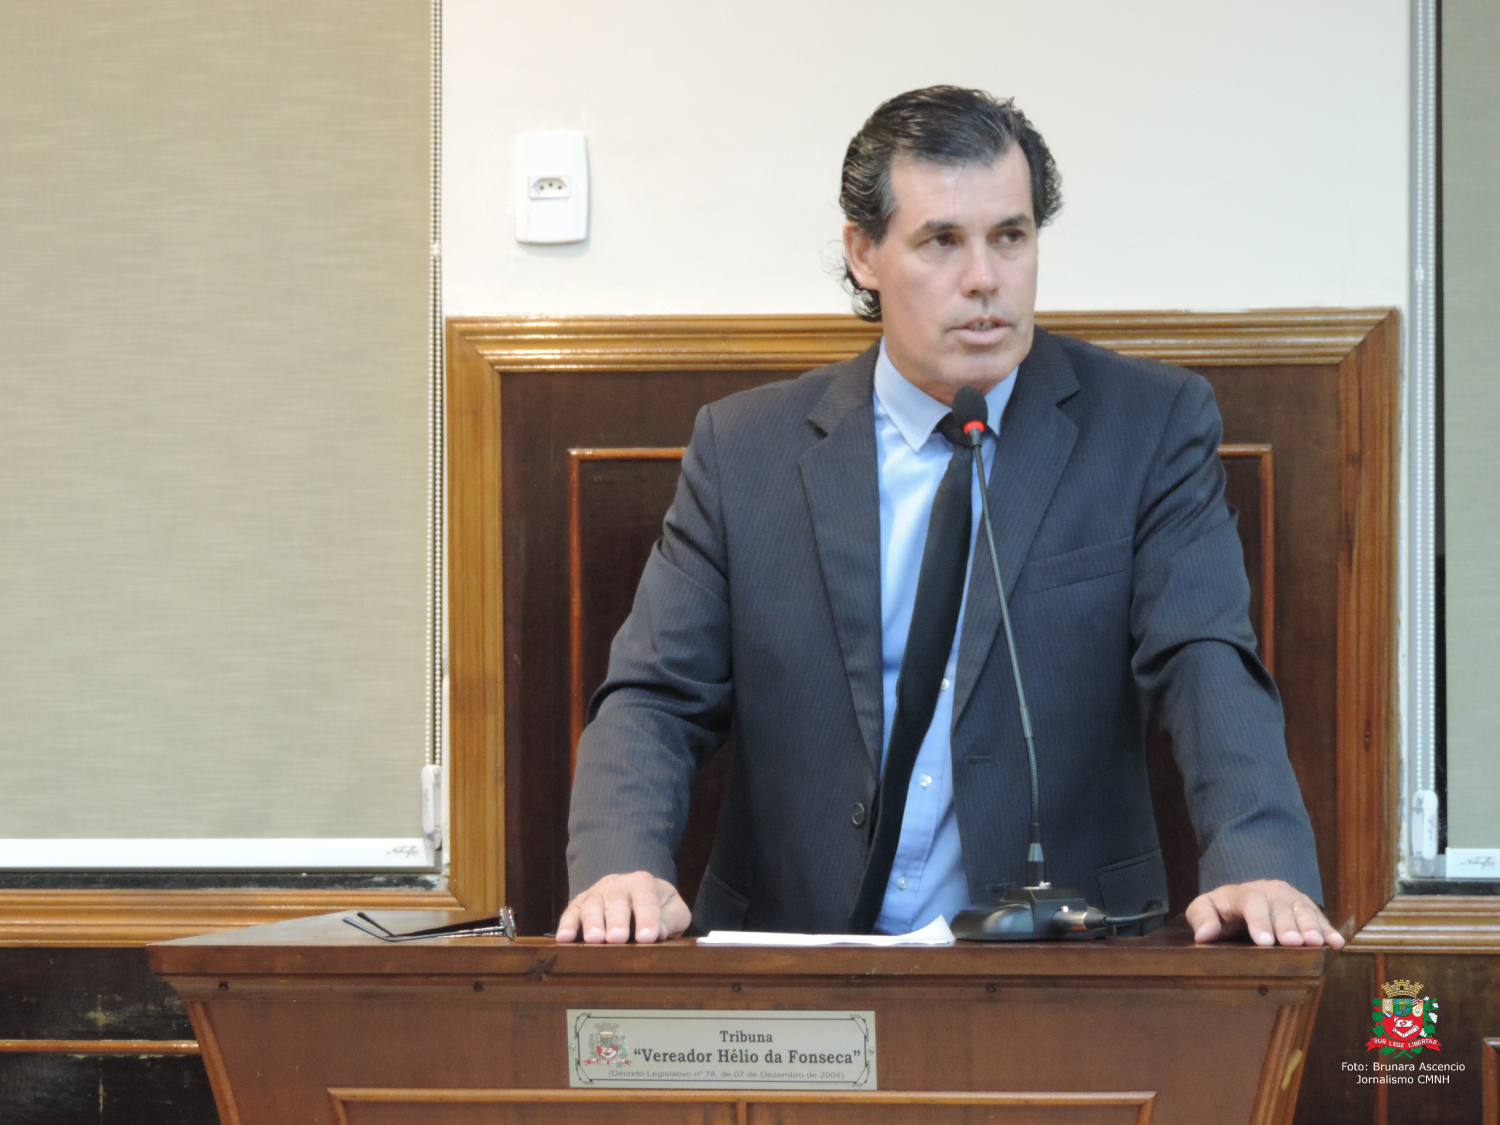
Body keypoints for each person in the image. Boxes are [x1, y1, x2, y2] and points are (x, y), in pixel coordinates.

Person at [559, 86, 1345, 952]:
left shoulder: (1146, 426)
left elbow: (1205, 657)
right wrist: (618, 867)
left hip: (1057, 964)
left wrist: (1257, 857)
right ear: (864, 253)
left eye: (1010, 236)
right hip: (796, 959)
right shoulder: (746, 451)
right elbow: (658, 694)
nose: (985, 279)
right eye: (942, 240)